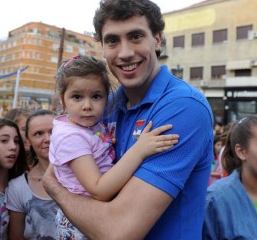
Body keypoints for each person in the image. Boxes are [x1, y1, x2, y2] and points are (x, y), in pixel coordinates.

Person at [43, 0, 213, 239]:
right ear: (102, 47)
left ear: (157, 40)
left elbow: (117, 232)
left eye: (135, 36)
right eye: (112, 40)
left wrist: (54, 188)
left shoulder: (184, 107)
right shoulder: (107, 105)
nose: (124, 53)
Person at [50, 55, 178, 238]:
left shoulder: (84, 126)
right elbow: (99, 189)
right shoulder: (70, 137)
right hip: (80, 225)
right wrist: (139, 151)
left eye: (96, 96)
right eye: (77, 97)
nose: (87, 106)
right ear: (62, 100)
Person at [6, 110, 59, 239]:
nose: (48, 138)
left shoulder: (84, 177)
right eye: (38, 134)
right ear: (28, 141)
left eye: (53, 131)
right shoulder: (18, 186)